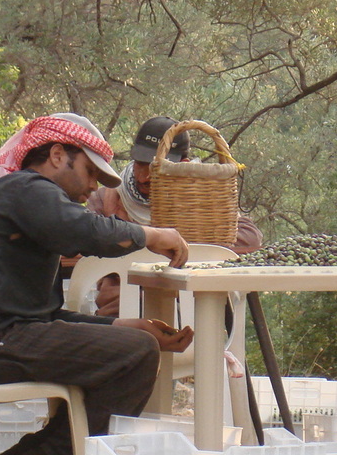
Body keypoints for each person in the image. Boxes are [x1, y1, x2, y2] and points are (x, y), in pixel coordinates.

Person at [0, 113, 194, 455]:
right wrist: (152, 235)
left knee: (136, 346)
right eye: (90, 172)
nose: (92, 186)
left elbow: (46, 316)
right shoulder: (25, 189)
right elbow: (80, 231)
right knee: (138, 354)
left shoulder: (26, 205)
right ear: (57, 155)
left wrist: (121, 327)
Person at [85, 116, 263, 315]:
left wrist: (179, 239)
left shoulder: (205, 200)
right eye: (140, 164)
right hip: (125, 313)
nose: (144, 176)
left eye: (156, 167)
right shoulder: (107, 199)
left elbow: (249, 236)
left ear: (182, 164)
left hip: (194, 310)